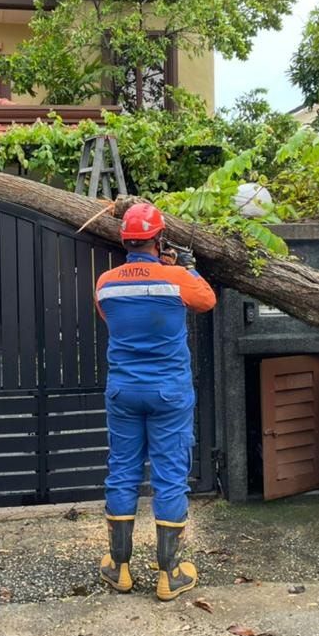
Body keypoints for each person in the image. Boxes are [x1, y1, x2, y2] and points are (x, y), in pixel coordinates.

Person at [94, 203, 216, 601]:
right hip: (168, 393)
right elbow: (207, 300)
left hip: (124, 392)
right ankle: (170, 574)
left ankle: (119, 568)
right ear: (159, 239)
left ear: (124, 240)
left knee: (123, 472)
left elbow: (108, 316)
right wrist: (186, 266)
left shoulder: (106, 284)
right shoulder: (177, 278)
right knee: (169, 476)